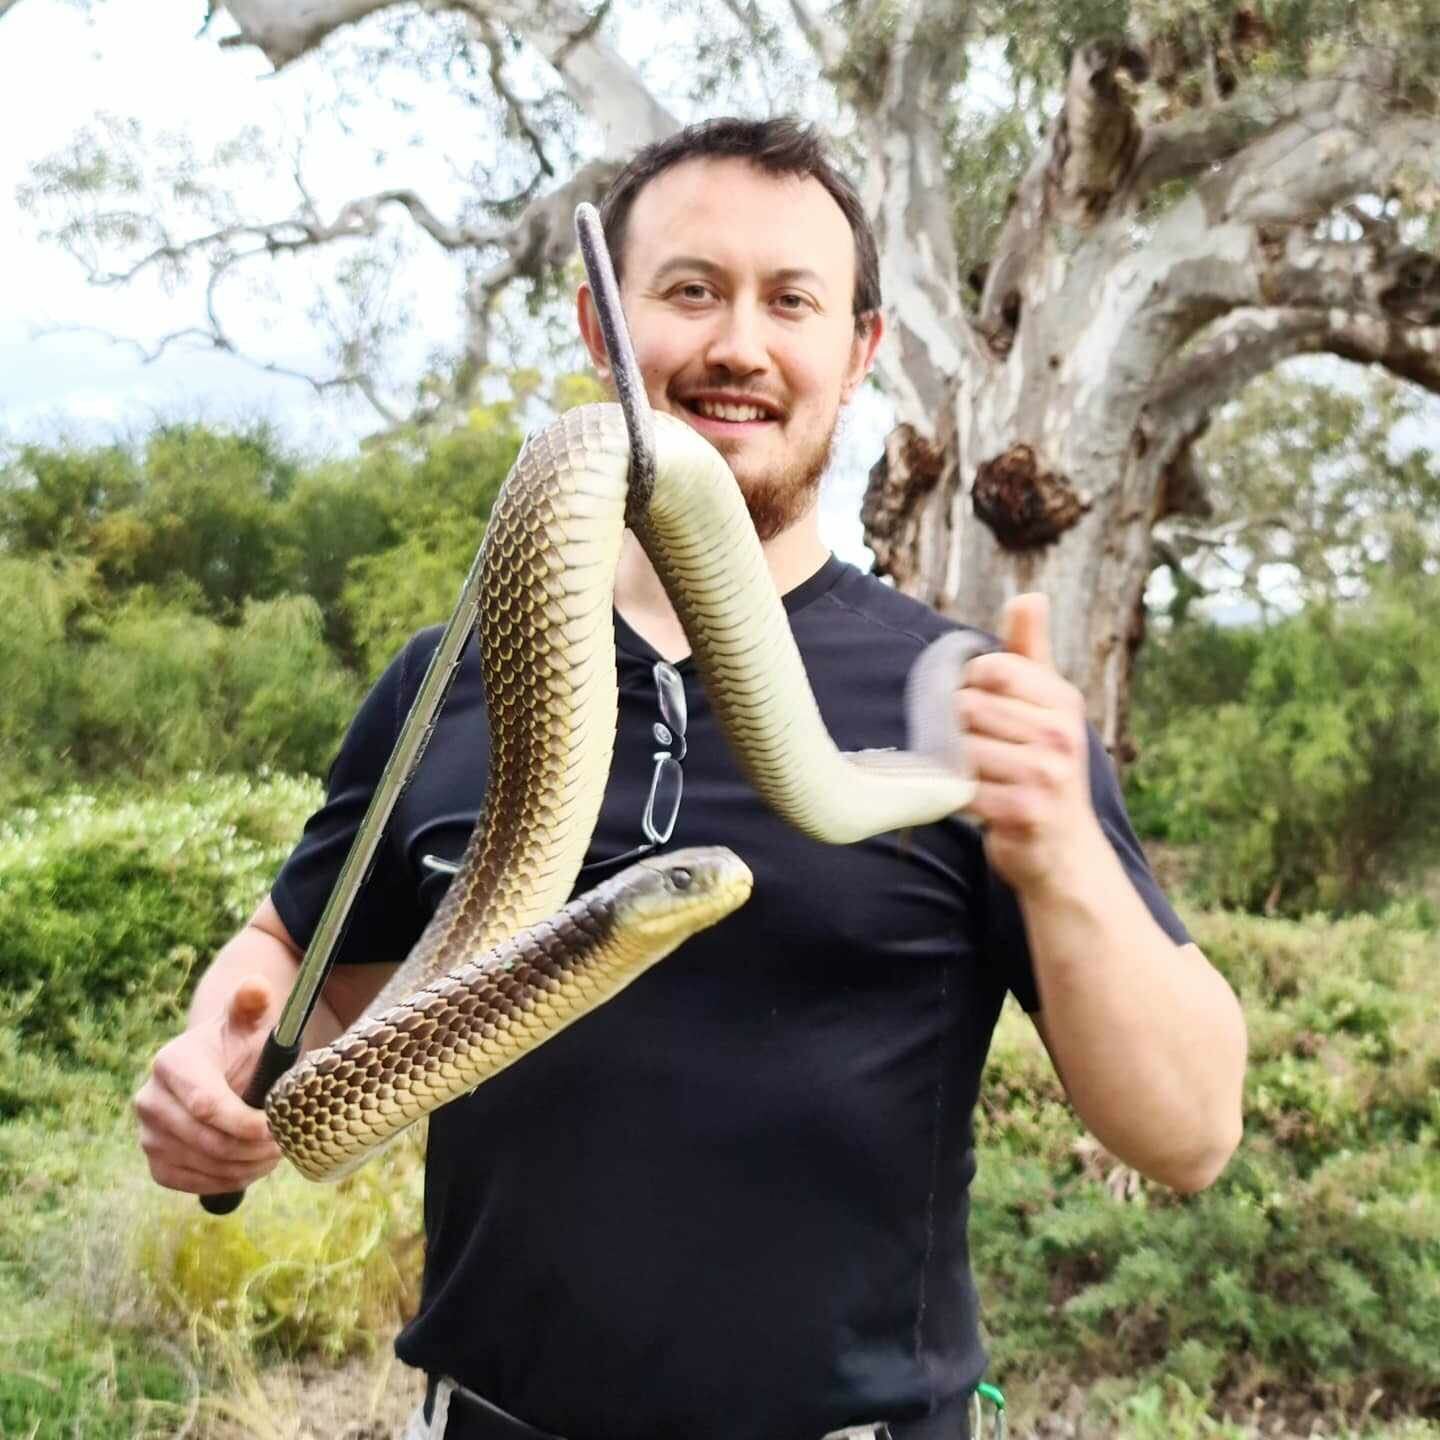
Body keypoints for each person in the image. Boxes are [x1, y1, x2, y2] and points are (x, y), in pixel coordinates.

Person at [135, 117, 1247, 1440]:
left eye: (793, 301)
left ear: (861, 350)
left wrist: (1058, 851)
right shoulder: (451, 676)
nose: (739, 344)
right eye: (690, 290)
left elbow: (1187, 1134)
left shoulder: (958, 706)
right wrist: (215, 1075)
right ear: (603, 331)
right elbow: (300, 975)